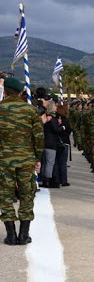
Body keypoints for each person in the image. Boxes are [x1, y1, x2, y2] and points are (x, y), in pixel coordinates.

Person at [0, 77, 44, 245]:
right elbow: (38, 137)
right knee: (27, 194)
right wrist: (37, 157)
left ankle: (11, 234)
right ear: (20, 93)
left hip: (4, 160)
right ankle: (24, 234)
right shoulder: (31, 111)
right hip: (26, 160)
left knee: (5, 195)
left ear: (5, 92)